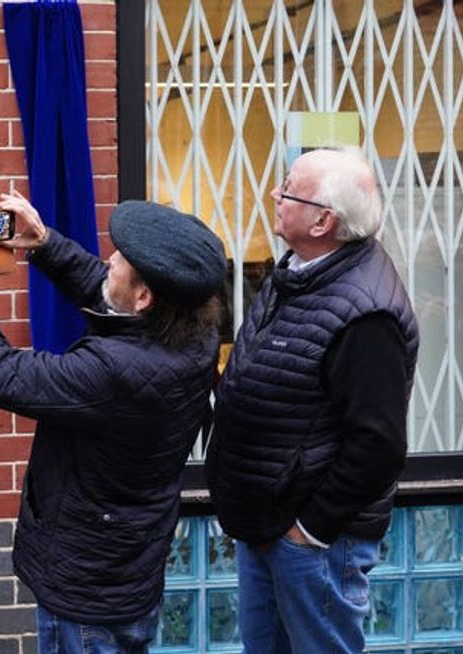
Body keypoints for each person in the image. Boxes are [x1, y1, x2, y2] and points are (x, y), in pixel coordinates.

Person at [0, 190, 227, 652]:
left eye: (122, 258)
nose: (109, 258)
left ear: (147, 295)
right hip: (126, 570)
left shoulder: (112, 370)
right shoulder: (195, 333)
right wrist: (45, 243)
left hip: (87, 588)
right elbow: (110, 291)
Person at [205, 146, 419, 653]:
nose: (275, 194)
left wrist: (309, 531)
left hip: (312, 542)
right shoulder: (299, 272)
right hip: (268, 524)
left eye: (289, 189)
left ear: (323, 220)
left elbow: (377, 445)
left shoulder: (368, 313)